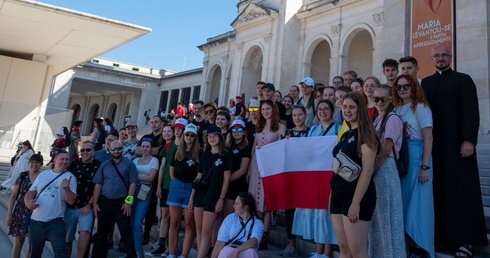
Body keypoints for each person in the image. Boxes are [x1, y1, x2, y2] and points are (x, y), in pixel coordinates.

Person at [422, 44, 487, 257]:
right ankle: (443, 239)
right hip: (435, 148)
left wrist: (469, 140)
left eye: (444, 55)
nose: (440, 58)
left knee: (462, 192)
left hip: (460, 148)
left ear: (450, 57)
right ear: (431, 59)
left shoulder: (463, 80)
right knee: (439, 193)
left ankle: (465, 242)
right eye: (436, 56)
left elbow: (471, 112)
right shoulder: (427, 84)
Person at [330, 92, 379, 258]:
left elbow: (367, 170)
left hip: (357, 198)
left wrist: (355, 203)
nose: (347, 110)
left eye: (352, 107)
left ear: (360, 109)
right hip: (337, 195)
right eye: (345, 107)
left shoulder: (366, 134)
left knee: (358, 252)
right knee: (344, 249)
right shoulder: (345, 134)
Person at [393, 74, 435, 257]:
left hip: (418, 157)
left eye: (406, 86)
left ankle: (421, 247)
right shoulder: (397, 108)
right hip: (402, 158)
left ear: (414, 87)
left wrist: (425, 167)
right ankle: (407, 245)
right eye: (399, 87)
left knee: (418, 205)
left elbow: (428, 137)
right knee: (403, 203)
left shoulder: (421, 108)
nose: (402, 89)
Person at [293, 100, 339, 258]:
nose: (322, 112)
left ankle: (327, 252)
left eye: (326, 109)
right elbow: (307, 150)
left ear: (332, 111)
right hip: (315, 176)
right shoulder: (313, 129)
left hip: (331, 175)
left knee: (327, 213)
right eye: (320, 109)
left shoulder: (339, 129)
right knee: (318, 212)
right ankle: (318, 251)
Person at [369, 84, 406, 257]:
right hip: (377, 170)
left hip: (385, 169)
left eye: (382, 98)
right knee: (379, 218)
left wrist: (369, 170)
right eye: (375, 98)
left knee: (387, 217)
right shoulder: (377, 119)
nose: (378, 102)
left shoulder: (392, 119)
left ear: (390, 99)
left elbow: (386, 149)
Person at [247, 99, 286, 250]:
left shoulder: (280, 127)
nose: (265, 111)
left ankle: (264, 234)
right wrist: (250, 167)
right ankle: (255, 232)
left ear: (273, 110)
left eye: (268, 109)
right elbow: (254, 148)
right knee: (255, 201)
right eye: (263, 109)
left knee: (267, 202)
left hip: (270, 166)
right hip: (257, 163)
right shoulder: (259, 126)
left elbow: (282, 146)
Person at [24, 150, 77, 258]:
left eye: (67, 159)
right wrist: (28, 202)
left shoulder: (71, 177)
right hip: (36, 221)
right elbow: (30, 192)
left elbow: (71, 201)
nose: (65, 161)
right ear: (55, 160)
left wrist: (66, 188)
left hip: (55, 221)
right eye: (62, 159)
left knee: (60, 252)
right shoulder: (43, 174)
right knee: (34, 253)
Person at [189, 125, 232, 258]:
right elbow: (198, 177)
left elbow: (226, 179)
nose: (212, 138)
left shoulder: (226, 155)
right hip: (200, 195)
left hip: (213, 196)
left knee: (207, 231)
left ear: (220, 137)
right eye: (209, 137)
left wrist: (221, 199)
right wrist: (191, 198)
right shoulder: (205, 155)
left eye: (214, 136)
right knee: (199, 230)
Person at [92, 140, 139, 258]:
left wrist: (128, 203)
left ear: (122, 149)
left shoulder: (129, 164)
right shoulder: (105, 164)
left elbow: (133, 184)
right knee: (102, 233)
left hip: (121, 202)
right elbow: (98, 184)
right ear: (109, 150)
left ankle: (131, 255)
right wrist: (95, 203)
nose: (116, 151)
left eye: (118, 148)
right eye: (113, 149)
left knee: (126, 231)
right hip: (105, 201)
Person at [279, 104, 310, 257]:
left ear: (305, 115)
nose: (297, 118)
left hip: (306, 176)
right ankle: (291, 243)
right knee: (290, 209)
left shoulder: (312, 132)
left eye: (300, 115)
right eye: (294, 115)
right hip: (290, 176)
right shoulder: (286, 133)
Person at [167, 124, 201, 258]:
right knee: (174, 222)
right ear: (183, 135)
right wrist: (175, 182)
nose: (189, 137)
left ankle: (184, 255)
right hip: (177, 185)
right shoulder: (177, 150)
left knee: (189, 223)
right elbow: (171, 169)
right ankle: (171, 253)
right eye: (187, 134)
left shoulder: (200, 152)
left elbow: (200, 173)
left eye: (192, 135)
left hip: (190, 188)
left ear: (195, 137)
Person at [64, 141, 101, 258]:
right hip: (70, 206)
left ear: (93, 151)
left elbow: (99, 187)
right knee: (67, 237)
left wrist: (90, 204)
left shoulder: (99, 166)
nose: (85, 152)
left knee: (85, 232)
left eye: (88, 150)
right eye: (83, 150)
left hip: (86, 206)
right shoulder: (73, 164)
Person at [6, 153, 43, 258]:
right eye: (33, 162)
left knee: (33, 243)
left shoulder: (43, 177)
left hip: (36, 211)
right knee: (18, 241)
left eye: (37, 162)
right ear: (29, 163)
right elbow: (13, 195)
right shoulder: (23, 175)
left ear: (41, 164)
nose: (34, 165)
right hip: (20, 210)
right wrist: (9, 214)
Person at [147, 124, 176, 256]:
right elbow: (162, 167)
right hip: (164, 185)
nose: (166, 133)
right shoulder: (164, 147)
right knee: (164, 216)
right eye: (164, 131)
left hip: (174, 186)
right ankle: (161, 243)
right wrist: (158, 186)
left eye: (169, 131)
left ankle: (170, 246)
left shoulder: (177, 145)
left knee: (172, 217)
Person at [210, 192, 264, 258]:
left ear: (245, 207)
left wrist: (237, 250)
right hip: (229, 249)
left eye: (237, 204)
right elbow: (220, 241)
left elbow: (254, 241)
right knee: (226, 251)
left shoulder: (257, 222)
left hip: (245, 250)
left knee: (251, 252)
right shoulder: (230, 218)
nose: (233, 206)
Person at [132, 139, 159, 257]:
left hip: (145, 191)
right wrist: (138, 178)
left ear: (151, 149)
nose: (144, 149)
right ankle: (130, 251)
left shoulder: (154, 160)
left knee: (137, 223)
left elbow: (151, 178)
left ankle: (138, 251)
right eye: (143, 146)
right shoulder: (136, 160)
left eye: (147, 147)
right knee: (130, 222)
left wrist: (135, 177)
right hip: (132, 191)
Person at [223, 120, 251, 216]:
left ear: (244, 132)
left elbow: (242, 170)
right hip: (225, 182)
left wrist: (226, 180)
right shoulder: (227, 145)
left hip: (236, 184)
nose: (236, 132)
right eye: (234, 130)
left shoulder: (246, 147)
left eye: (239, 129)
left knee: (230, 214)